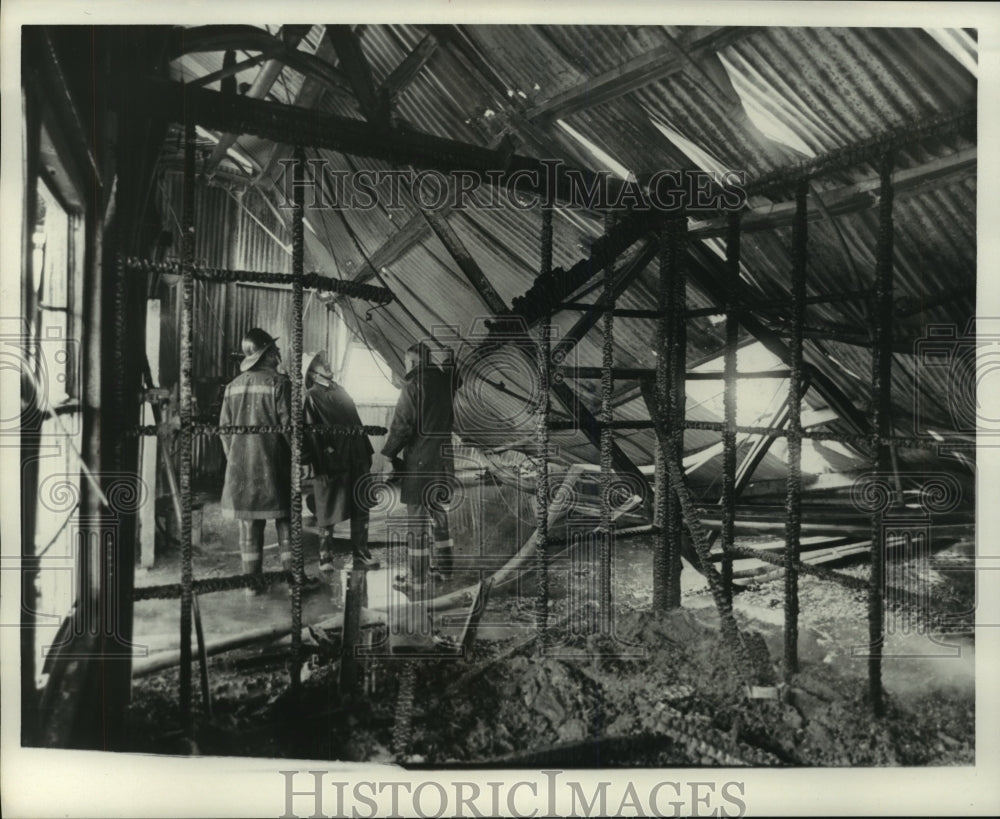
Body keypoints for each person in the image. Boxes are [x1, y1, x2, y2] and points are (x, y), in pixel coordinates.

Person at [219, 328, 318, 597]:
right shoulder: (279, 384)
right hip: (275, 466)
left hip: (241, 469)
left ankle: (251, 583)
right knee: (286, 521)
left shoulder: (232, 387)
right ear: (268, 353)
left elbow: (225, 432)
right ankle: (293, 580)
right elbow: (291, 429)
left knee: (249, 525)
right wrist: (304, 458)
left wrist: (236, 459)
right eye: (274, 350)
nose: (278, 353)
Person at [381, 341, 457, 597]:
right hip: (444, 464)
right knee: (440, 518)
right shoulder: (446, 382)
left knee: (417, 524)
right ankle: (445, 570)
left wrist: (388, 454)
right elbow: (455, 375)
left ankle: (417, 580)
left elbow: (402, 427)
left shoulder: (412, 387)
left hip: (421, 465)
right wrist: (449, 360)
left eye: (406, 362)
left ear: (412, 363)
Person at [301, 350, 379, 572]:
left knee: (361, 504)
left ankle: (361, 553)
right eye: (321, 363)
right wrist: (319, 459)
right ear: (314, 374)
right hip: (331, 461)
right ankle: (326, 557)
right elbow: (308, 434)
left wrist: (366, 451)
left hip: (356, 456)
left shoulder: (341, 390)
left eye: (325, 361)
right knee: (327, 508)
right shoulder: (311, 397)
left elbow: (356, 421)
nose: (327, 364)